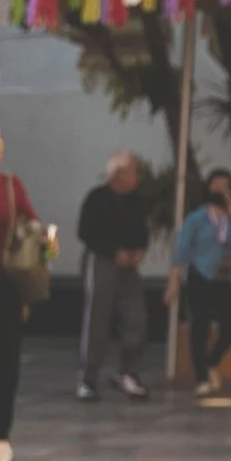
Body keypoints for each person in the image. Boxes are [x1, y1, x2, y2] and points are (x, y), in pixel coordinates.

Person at [0, 120, 48, 461]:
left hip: (4, 286)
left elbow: (36, 228)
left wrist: (49, 247)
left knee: (4, 363)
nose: (0, 141)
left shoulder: (9, 186)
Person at [77, 154, 152, 404]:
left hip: (130, 267)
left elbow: (143, 228)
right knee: (97, 320)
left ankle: (127, 373)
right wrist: (112, 252)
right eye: (133, 172)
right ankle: (88, 379)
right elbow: (85, 231)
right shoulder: (97, 198)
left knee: (137, 319)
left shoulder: (137, 201)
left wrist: (141, 249)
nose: (137, 178)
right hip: (102, 262)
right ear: (118, 175)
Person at [172, 169, 231, 395]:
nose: (219, 189)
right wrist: (174, 281)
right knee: (200, 326)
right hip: (202, 277)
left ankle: (211, 361)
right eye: (216, 185)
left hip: (227, 278)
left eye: (225, 185)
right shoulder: (197, 218)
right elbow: (182, 250)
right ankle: (201, 378)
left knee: (230, 328)